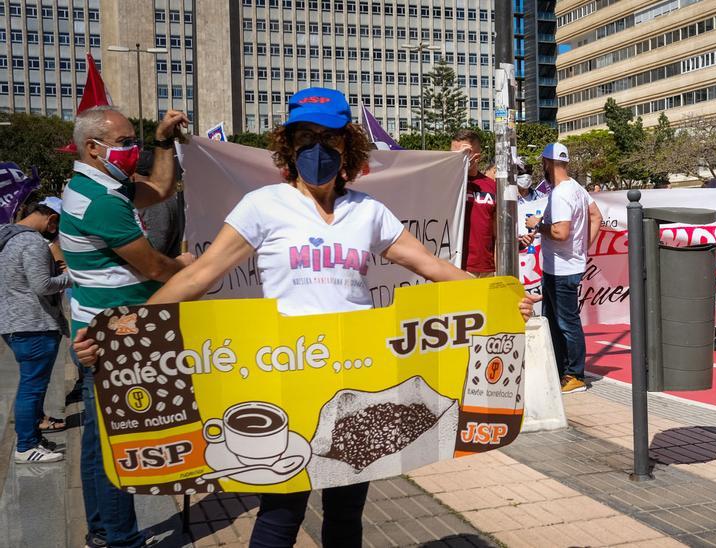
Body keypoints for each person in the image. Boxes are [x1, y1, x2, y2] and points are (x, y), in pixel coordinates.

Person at [76, 88, 536, 547]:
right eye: (305, 137)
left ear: (347, 146)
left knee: (346, 512)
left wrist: (497, 299)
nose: (317, 149)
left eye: (330, 138)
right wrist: (123, 330)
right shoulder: (264, 205)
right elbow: (199, 277)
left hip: (356, 379)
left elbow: (432, 266)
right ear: (289, 146)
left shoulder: (368, 211)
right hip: (287, 376)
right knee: (280, 514)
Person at [64, 105, 192, 548]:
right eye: (123, 143)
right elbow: (156, 266)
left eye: (134, 140)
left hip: (108, 327)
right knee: (120, 443)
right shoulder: (101, 201)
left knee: (100, 445)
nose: (131, 150)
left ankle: (104, 531)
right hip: (115, 335)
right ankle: (120, 539)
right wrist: (189, 266)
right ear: (92, 148)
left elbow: (160, 187)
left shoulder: (102, 186)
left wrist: (163, 141)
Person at [522, 143, 600, 394]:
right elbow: (596, 216)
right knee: (555, 321)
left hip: (562, 269)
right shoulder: (576, 188)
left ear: (546, 162)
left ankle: (575, 374)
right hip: (565, 265)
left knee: (566, 322)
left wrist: (538, 225)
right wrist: (584, 247)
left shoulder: (561, 194)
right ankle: (560, 371)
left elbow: (560, 231)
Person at [1, 197, 72, 463]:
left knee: (30, 384)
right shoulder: (31, 242)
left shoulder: (5, 235)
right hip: (34, 323)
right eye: (55, 227)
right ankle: (26, 446)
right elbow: (43, 285)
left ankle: (31, 437)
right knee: (32, 386)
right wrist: (74, 275)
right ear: (51, 219)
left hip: (13, 322)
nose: (53, 232)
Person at [452, 129, 497, 277]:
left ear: (476, 157)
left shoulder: (492, 186)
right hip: (455, 266)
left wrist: (498, 268)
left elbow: (496, 232)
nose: (456, 157)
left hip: (487, 268)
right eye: (453, 153)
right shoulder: (447, 184)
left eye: (463, 153)